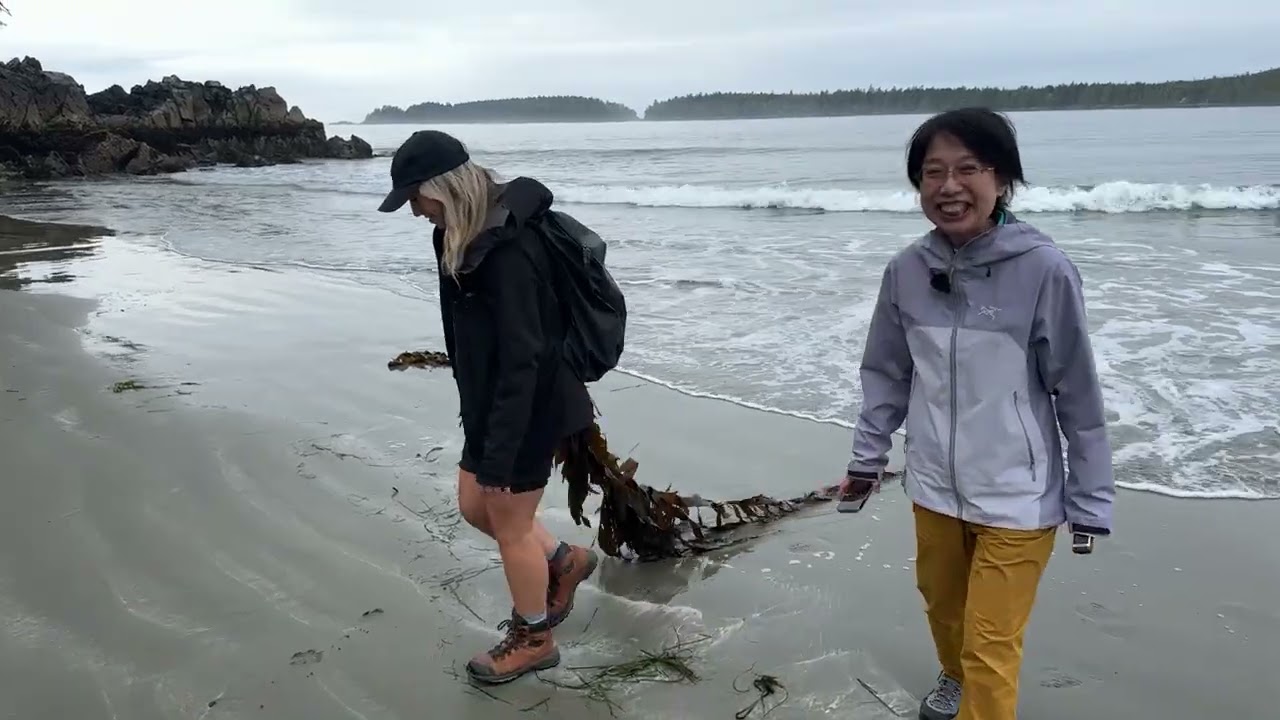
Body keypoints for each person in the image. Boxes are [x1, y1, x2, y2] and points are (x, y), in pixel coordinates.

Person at [840, 108, 1115, 720]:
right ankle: (952, 675)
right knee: (943, 608)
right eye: (932, 172)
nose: (948, 186)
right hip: (934, 486)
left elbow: (1078, 394)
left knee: (992, 645)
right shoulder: (907, 272)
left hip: (1019, 496)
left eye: (968, 169)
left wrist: (1091, 498)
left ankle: (975, 690)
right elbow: (886, 373)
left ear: (1003, 180)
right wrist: (866, 458)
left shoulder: (1045, 269)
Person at [377, 129, 599, 685]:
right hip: (490, 399)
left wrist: (500, 451)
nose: (414, 213)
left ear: (443, 189)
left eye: (416, 200)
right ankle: (564, 562)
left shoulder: (510, 250)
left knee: (508, 520)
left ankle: (534, 638)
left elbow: (526, 358)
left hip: (530, 403)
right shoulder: (455, 235)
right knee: (476, 506)